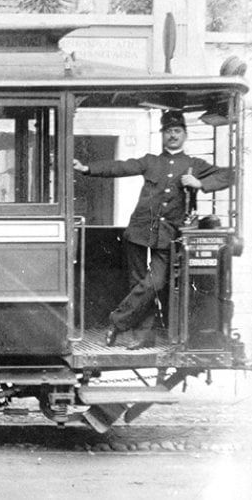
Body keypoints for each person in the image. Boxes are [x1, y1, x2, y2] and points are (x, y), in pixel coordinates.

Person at [73, 110, 233, 349]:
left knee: (154, 283)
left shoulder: (194, 165)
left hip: (169, 235)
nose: (172, 136)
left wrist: (200, 183)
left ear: (185, 135)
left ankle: (117, 322)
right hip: (138, 230)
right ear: (162, 135)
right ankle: (143, 336)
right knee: (138, 283)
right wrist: (87, 168)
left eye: (177, 131)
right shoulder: (151, 161)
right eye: (168, 131)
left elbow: (228, 175)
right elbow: (122, 167)